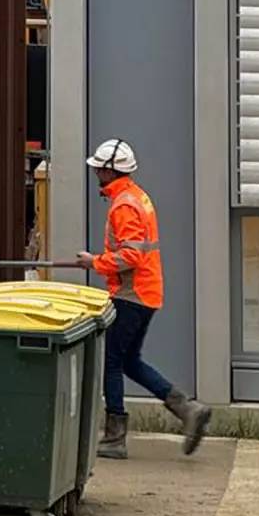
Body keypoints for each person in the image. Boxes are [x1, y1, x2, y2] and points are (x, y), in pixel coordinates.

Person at [78, 138, 210, 460]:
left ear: (110, 171)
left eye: (99, 167)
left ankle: (114, 438)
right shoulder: (137, 197)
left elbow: (131, 256)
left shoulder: (124, 204)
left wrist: (94, 262)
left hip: (131, 295)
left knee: (112, 360)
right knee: (128, 361)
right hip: (145, 293)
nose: (95, 170)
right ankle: (187, 409)